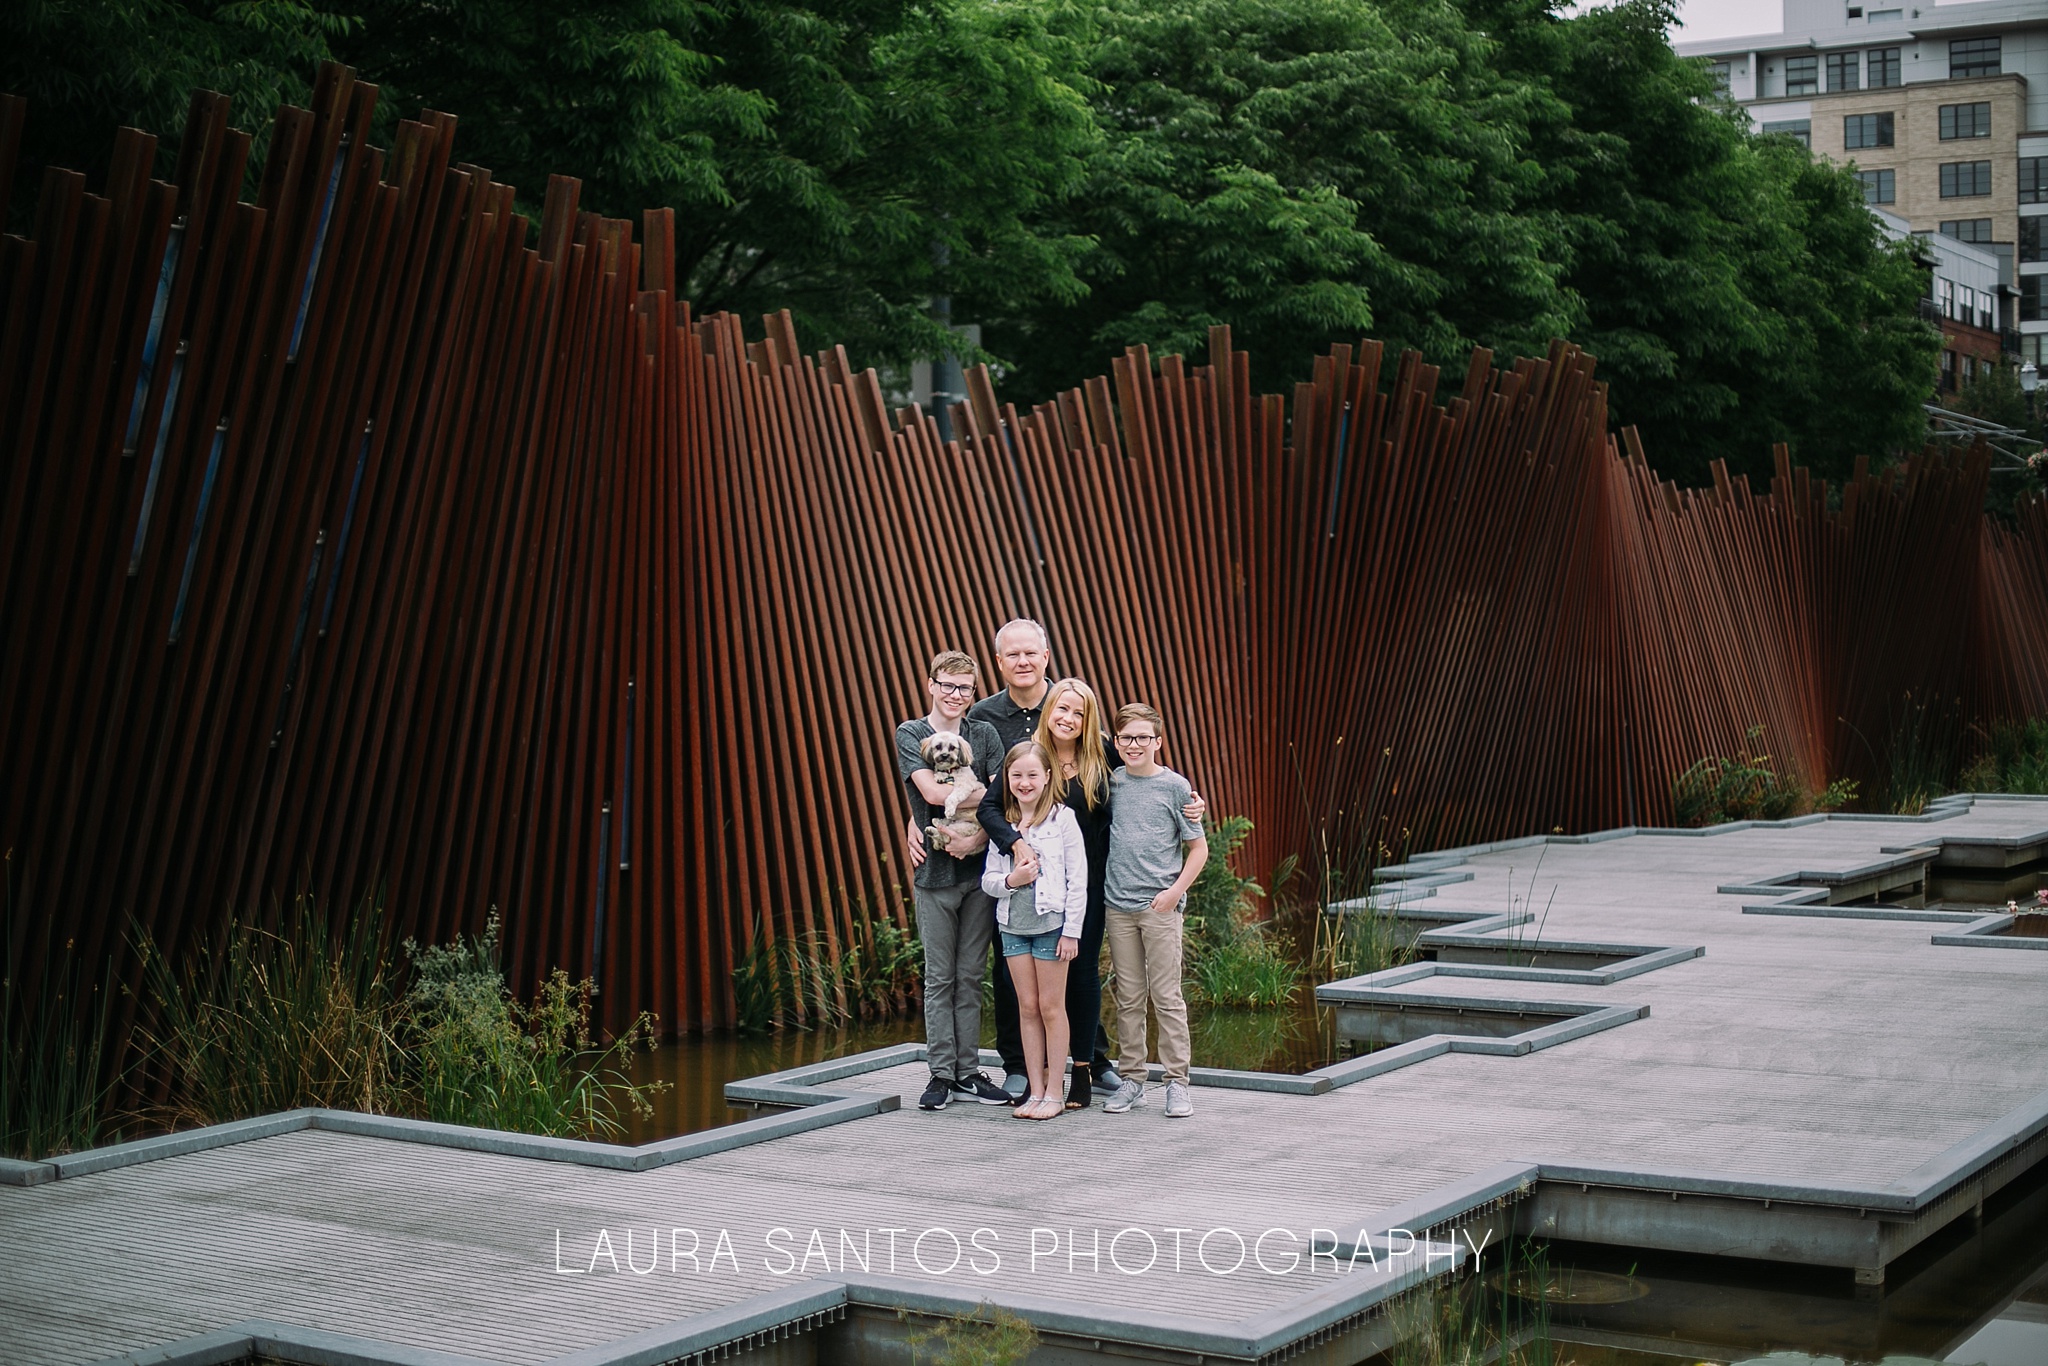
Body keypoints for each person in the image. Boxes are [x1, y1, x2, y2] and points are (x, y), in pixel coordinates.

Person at [893, 650, 1013, 1111]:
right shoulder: (913, 733)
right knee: (939, 978)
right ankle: (941, 1074)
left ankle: (968, 1072)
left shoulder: (983, 734)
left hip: (981, 874)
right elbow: (929, 791)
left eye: (964, 687)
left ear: (973, 692)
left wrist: (981, 836)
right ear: (930, 685)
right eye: (946, 684)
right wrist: (977, 794)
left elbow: (1005, 795)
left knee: (970, 975)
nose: (954, 694)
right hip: (935, 876)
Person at [1101, 702, 1208, 1119]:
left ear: (1158, 742)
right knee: (1128, 997)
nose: (1134, 745)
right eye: (1126, 737)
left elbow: (1198, 849)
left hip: (1160, 906)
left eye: (1143, 737)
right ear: (1116, 741)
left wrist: (1174, 892)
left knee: (1167, 997)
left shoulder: (1176, 787)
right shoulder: (1111, 784)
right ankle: (1132, 1080)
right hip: (1118, 905)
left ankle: (1178, 1083)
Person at [979, 739, 1086, 1120]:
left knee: (1051, 1008)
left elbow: (1079, 880)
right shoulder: (1004, 825)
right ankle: (1035, 1090)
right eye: (1016, 775)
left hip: (1050, 927)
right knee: (1026, 1008)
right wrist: (1012, 879)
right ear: (1006, 779)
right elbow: (989, 881)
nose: (1024, 783)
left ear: (1046, 777)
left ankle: (1055, 1092)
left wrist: (1072, 931)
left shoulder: (1063, 819)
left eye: (1032, 775)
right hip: (1013, 928)